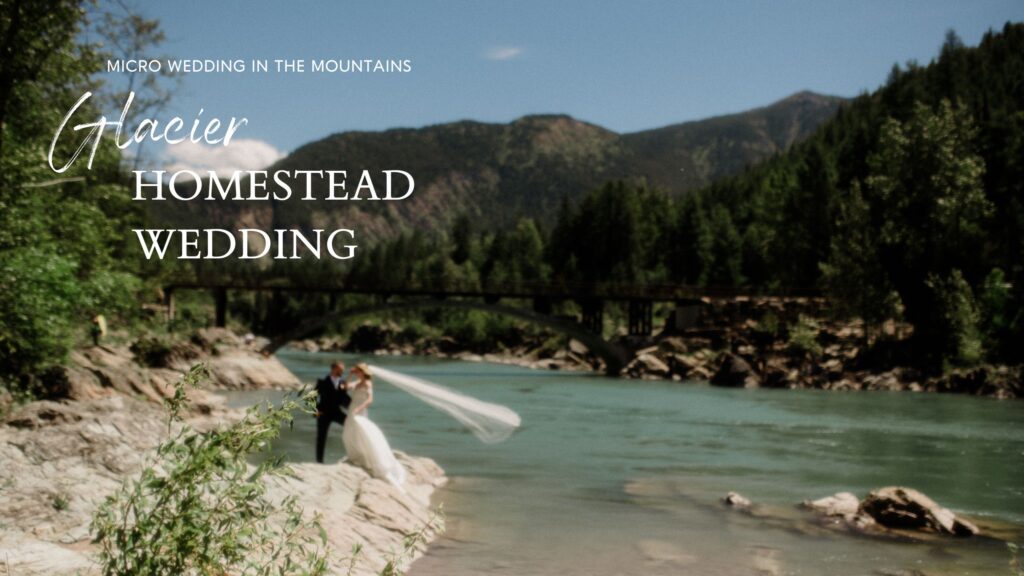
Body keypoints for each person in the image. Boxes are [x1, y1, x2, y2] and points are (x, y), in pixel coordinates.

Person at [341, 363, 406, 488]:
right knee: (349, 432)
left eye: (358, 371)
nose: (357, 373)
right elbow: (344, 387)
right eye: (356, 371)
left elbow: (370, 400)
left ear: (363, 372)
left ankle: (368, 458)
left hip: (358, 410)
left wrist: (358, 409)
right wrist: (349, 374)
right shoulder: (358, 382)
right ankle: (357, 456)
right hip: (352, 409)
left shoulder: (367, 383)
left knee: (362, 432)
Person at [314, 361, 352, 464]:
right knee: (321, 437)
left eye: (343, 369)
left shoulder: (342, 382)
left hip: (337, 412)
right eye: (340, 369)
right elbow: (311, 397)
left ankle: (353, 454)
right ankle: (319, 461)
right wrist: (315, 411)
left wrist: (353, 406)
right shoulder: (322, 382)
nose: (342, 371)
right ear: (334, 369)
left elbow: (344, 398)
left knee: (352, 426)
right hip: (323, 413)